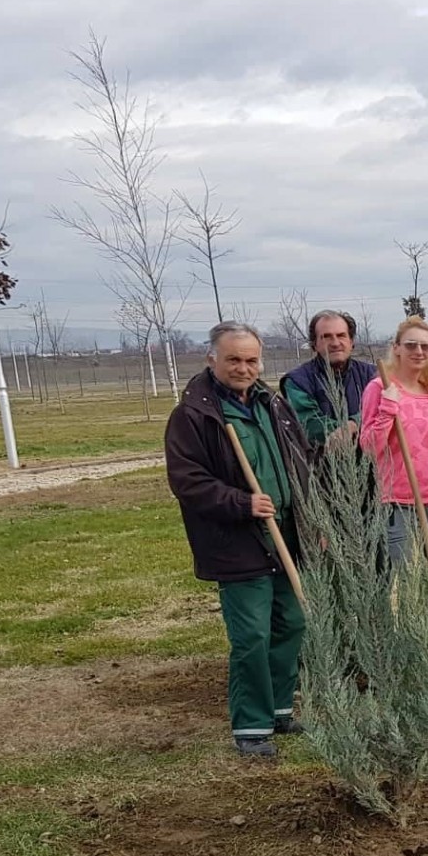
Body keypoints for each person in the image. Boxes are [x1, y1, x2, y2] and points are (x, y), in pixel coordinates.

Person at [164, 322, 314, 756]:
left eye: (251, 360)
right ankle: (251, 726)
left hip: (288, 535)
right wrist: (240, 502)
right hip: (239, 542)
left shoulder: (274, 405)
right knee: (252, 636)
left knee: (292, 625)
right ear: (212, 359)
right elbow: (187, 480)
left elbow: (301, 462)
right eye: (234, 359)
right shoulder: (196, 415)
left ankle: (281, 711)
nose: (243, 368)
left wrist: (313, 524)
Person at [358, 316, 428, 573]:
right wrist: (388, 409)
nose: (419, 351)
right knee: (405, 586)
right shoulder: (379, 388)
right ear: (396, 347)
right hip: (399, 503)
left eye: (426, 346)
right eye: (411, 345)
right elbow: (368, 448)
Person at [281, 310, 376, 448]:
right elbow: (310, 425)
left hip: (372, 464)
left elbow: (386, 412)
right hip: (322, 465)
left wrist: (354, 424)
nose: (335, 343)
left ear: (351, 341)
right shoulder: (297, 382)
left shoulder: (372, 375)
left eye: (341, 335)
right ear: (314, 344)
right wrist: (355, 426)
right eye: (326, 337)